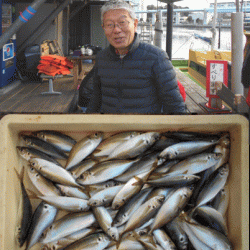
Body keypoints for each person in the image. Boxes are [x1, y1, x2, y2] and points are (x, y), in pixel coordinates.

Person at [86, 0, 186, 114]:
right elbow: (96, 98)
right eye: (109, 25)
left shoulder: (156, 57)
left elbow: (174, 105)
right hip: (110, 129)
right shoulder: (102, 58)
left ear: (135, 24)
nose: (116, 30)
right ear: (103, 28)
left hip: (145, 129)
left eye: (122, 22)